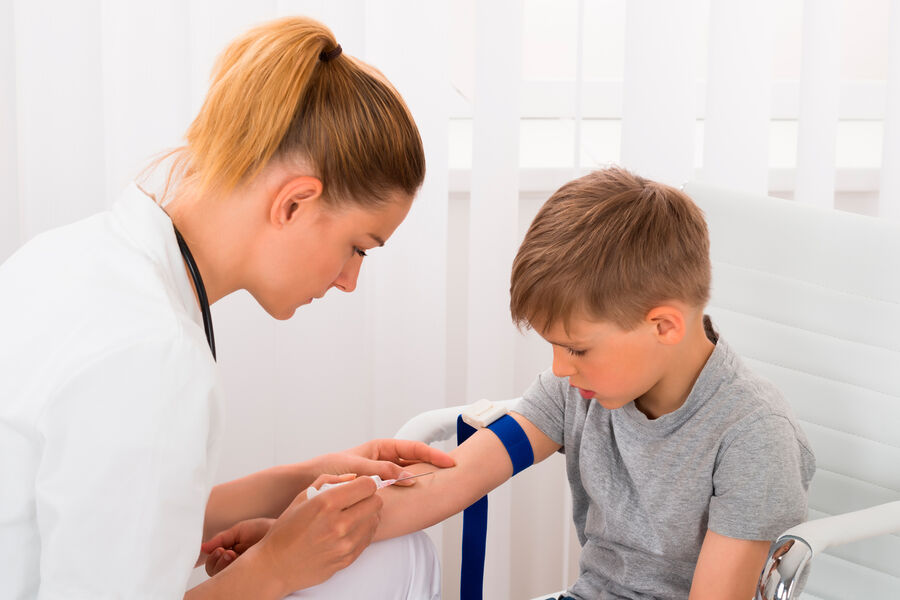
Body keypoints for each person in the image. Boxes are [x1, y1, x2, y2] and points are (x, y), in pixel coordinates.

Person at [0, 16, 453, 600]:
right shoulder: (153, 356)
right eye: (357, 248)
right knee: (399, 559)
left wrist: (300, 479)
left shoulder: (69, 255)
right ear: (294, 204)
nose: (349, 280)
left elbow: (98, 514)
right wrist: (275, 569)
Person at [331, 167, 815, 598]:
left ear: (664, 327)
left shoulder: (754, 438)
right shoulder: (578, 391)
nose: (560, 368)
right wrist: (309, 525)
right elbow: (456, 479)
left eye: (577, 349)